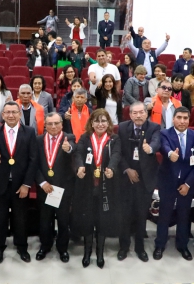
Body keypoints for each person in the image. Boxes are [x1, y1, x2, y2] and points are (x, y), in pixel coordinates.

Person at [0, 101, 38, 264]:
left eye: (14, 112)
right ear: (2, 115)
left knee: (21, 218)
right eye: (7, 112)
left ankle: (22, 247)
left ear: (19, 114)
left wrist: (26, 185)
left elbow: (33, 160)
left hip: (20, 185)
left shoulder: (29, 132)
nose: (10, 115)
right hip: (0, 183)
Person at [73, 109, 122, 268]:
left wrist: (112, 169)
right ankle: (87, 253)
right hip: (87, 187)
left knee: (103, 220)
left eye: (103, 121)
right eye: (97, 121)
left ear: (108, 123)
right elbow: (78, 154)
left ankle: (100, 254)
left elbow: (116, 155)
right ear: (91, 123)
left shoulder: (114, 139)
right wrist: (79, 166)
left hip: (106, 187)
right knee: (88, 219)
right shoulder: (85, 138)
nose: (100, 124)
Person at [154, 107, 194, 261]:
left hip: (187, 183)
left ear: (189, 120)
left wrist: (188, 184)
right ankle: (159, 245)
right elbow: (164, 147)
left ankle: (183, 245)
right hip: (167, 181)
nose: (182, 121)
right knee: (164, 215)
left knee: (184, 215)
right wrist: (170, 154)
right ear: (173, 119)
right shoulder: (164, 133)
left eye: (185, 118)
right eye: (179, 118)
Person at [117, 102, 161, 262]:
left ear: (146, 113)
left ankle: (140, 248)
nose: (138, 115)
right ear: (130, 115)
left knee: (142, 215)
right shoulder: (122, 128)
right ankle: (123, 247)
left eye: (141, 112)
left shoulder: (154, 127)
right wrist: (127, 169)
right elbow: (118, 152)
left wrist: (150, 148)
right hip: (126, 178)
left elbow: (156, 142)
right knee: (125, 215)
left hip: (145, 179)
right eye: (134, 113)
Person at [34, 112, 77, 262]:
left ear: (62, 124)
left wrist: (69, 148)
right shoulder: (38, 140)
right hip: (45, 188)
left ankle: (62, 248)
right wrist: (42, 183)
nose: (53, 126)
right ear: (45, 125)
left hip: (63, 188)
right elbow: (35, 164)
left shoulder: (69, 137)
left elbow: (72, 148)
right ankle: (45, 246)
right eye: (50, 124)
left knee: (63, 220)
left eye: (56, 123)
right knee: (45, 220)